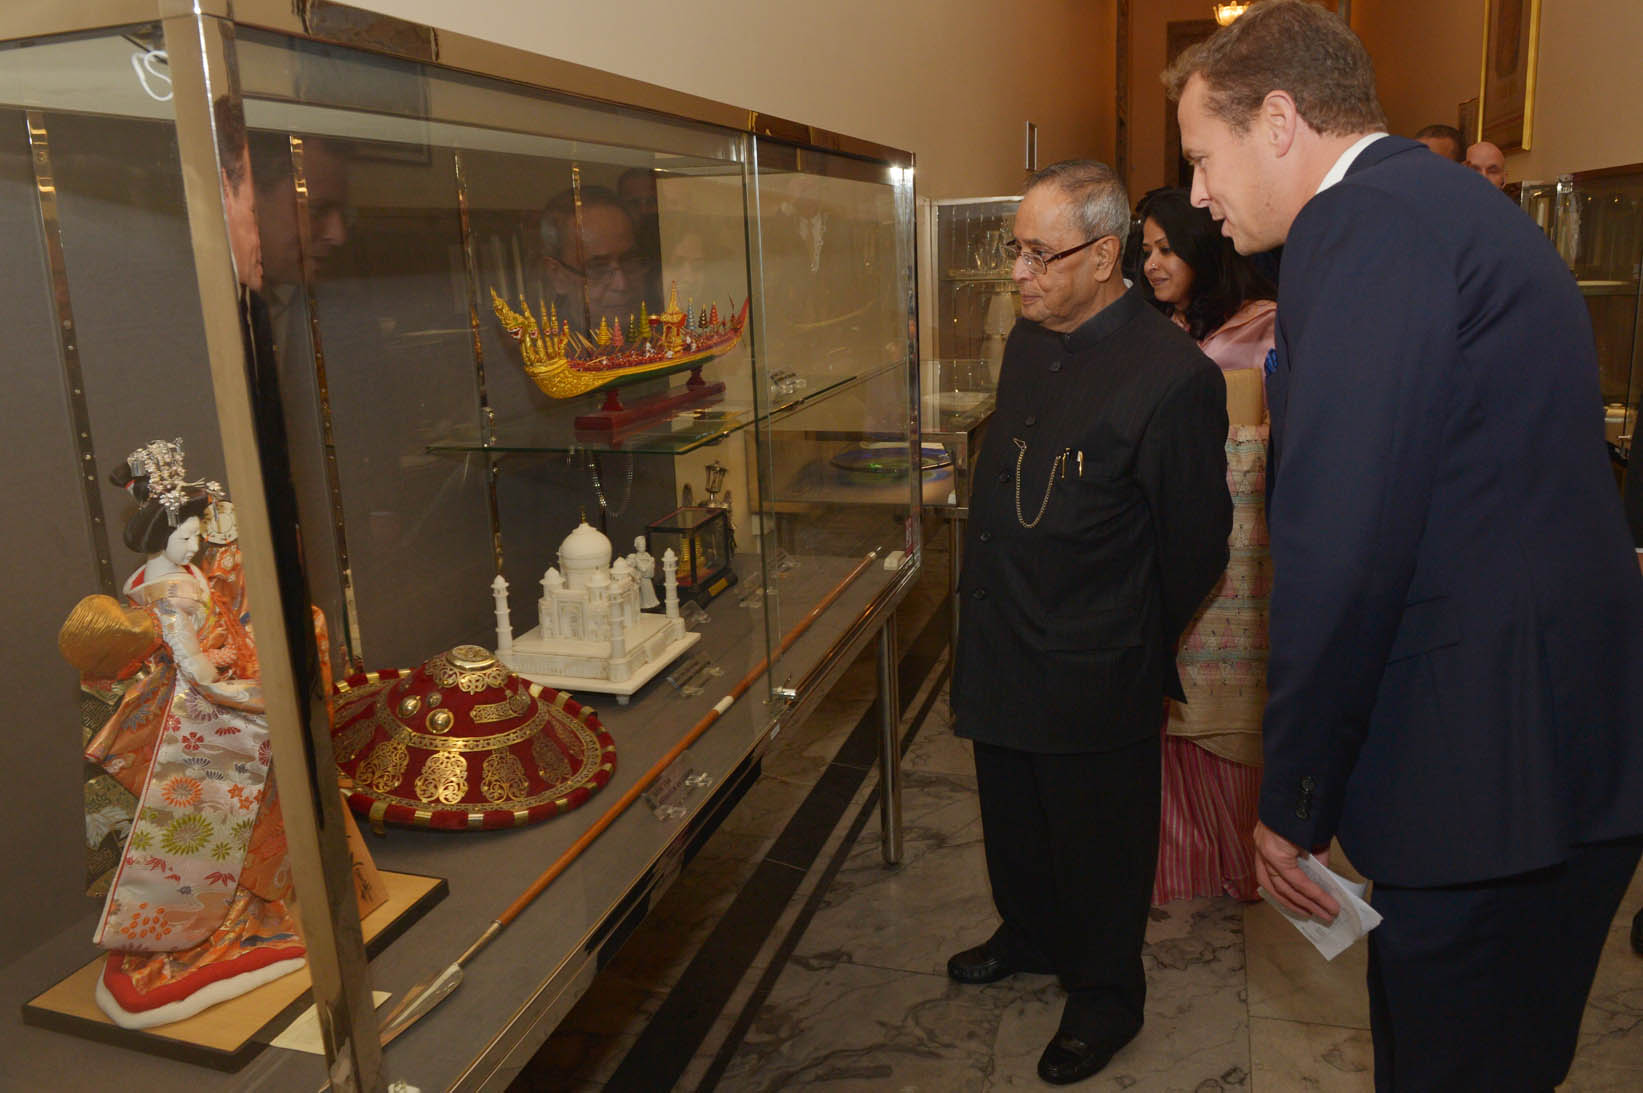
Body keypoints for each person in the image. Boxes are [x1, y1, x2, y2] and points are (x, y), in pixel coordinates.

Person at [1167, 2, 1643, 1088]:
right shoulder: (1444, 208)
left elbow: (1343, 530)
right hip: (1560, 760)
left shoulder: (1362, 223)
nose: (1197, 193)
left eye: (1201, 156)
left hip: (1477, 783)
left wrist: (1290, 796)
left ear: (1276, 120)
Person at [948, 159, 1231, 1085]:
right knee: (1015, 815)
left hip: (1092, 657)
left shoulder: (1172, 375)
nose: (1018, 272)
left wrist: (1125, 639)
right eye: (1014, 250)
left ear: (1103, 254)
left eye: (1039, 253)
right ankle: (1028, 932)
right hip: (1000, 635)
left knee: (1099, 841)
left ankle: (1105, 993)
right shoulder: (1030, 337)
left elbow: (1195, 543)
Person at [1136, 187, 1275, 904]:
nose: (1152, 263)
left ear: (1203, 249)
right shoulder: (1158, 326)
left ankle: (1229, 855)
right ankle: (1176, 858)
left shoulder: (1262, 329)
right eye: (1147, 249)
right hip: (1169, 538)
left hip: (1238, 554)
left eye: (1167, 249)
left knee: (1222, 706)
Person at [540, 185, 654, 337]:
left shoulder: (662, 329)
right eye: (598, 269)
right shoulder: (544, 352)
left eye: (629, 262)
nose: (622, 284)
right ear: (557, 276)